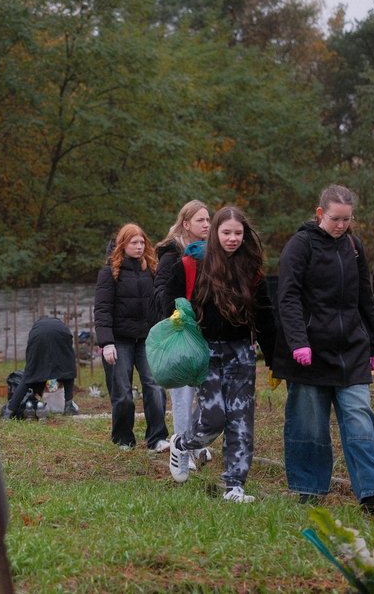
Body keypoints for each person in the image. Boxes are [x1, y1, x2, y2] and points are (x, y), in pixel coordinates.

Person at [272, 184, 374, 513]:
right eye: (335, 219)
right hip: (309, 353)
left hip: (350, 350)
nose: (342, 225)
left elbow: (364, 298)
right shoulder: (300, 245)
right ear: (320, 214)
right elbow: (287, 297)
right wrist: (298, 341)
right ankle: (309, 488)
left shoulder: (354, 247)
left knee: (359, 417)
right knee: (310, 424)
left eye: (347, 219)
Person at [166, 207, 276, 504]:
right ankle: (182, 444)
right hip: (205, 350)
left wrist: (274, 359)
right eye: (226, 232)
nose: (232, 238)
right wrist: (175, 322)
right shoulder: (191, 265)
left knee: (241, 421)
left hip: (241, 352)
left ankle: (234, 486)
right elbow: (168, 300)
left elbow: (265, 315)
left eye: (238, 233)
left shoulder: (251, 269)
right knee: (213, 418)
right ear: (215, 233)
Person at [93, 223, 168, 451]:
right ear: (123, 245)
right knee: (123, 393)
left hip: (147, 339)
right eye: (134, 242)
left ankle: (157, 438)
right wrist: (106, 343)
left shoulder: (152, 270)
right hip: (119, 340)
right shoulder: (109, 273)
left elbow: (160, 304)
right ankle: (123, 438)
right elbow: (102, 309)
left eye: (142, 242)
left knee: (155, 387)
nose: (139, 246)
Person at [153, 199, 211, 466]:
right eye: (201, 220)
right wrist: (178, 316)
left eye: (208, 220)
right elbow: (161, 292)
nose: (207, 225)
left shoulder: (212, 253)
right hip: (182, 331)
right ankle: (182, 450)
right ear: (186, 224)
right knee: (183, 395)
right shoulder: (172, 255)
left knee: (209, 393)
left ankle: (196, 441)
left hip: (207, 331)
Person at [0, 317, 79, 419]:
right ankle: (69, 406)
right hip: (61, 333)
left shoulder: (37, 327)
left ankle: (9, 411)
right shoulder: (58, 325)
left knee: (29, 375)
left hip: (37, 336)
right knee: (67, 368)